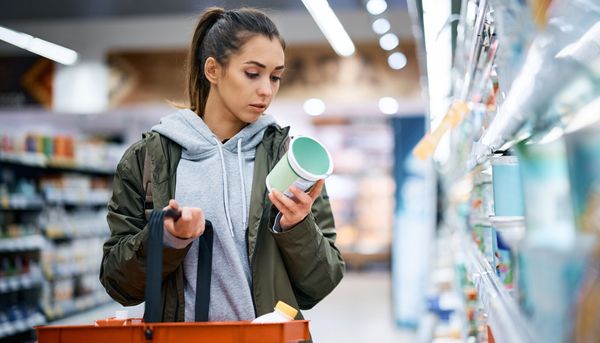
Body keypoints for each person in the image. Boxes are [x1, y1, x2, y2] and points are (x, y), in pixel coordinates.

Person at [99, 5, 345, 333]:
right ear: (213, 70)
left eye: (275, 77)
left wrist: (297, 227)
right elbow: (119, 283)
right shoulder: (148, 159)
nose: (266, 90)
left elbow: (321, 283)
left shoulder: (288, 159)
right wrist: (169, 238)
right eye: (253, 73)